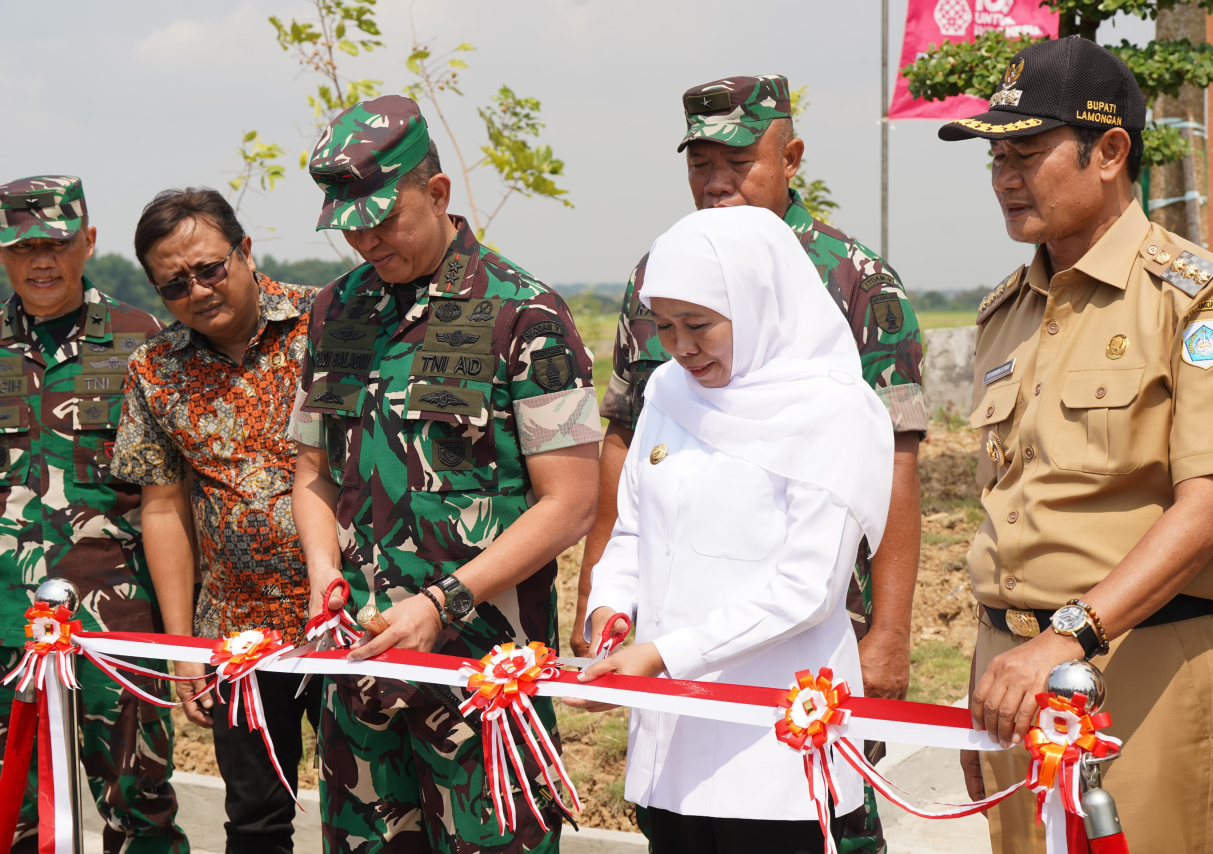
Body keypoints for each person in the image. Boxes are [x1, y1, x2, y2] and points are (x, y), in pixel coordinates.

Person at [939, 37, 1213, 854]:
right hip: (1014, 676)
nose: (1005, 178)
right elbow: (1010, 515)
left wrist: (1068, 636)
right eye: (994, 158)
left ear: (1110, 151)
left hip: (1140, 671)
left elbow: (1209, 513)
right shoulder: (1006, 310)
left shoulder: (1201, 298)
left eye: (1026, 151)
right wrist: (987, 677)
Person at [573, 73, 925, 849]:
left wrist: (663, 653)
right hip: (670, 724)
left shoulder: (831, 401)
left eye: (700, 324)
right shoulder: (671, 382)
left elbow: (809, 580)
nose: (681, 347)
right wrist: (608, 609)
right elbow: (632, 521)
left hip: (779, 730)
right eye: (665, 327)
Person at [287, 95, 601, 853]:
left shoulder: (525, 315)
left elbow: (572, 503)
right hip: (359, 677)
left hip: (482, 680)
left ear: (437, 193)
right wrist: (324, 570)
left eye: (383, 219)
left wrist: (442, 601)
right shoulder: (338, 312)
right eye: (350, 225)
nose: (366, 240)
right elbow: (313, 472)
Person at [111, 188, 320, 854]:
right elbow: (163, 506)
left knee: (372, 814)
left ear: (245, 251)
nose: (197, 290)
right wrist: (183, 652)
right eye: (174, 284)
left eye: (210, 269)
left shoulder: (330, 324)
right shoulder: (156, 369)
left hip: (349, 622)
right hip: (238, 636)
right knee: (256, 822)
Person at [0, 176, 188, 854]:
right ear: (2, 254)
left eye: (57, 243)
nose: (41, 262)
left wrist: (179, 634)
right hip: (5, 625)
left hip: (119, 627)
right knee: (11, 812)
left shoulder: (147, 341)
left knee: (139, 811)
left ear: (89, 243)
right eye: (23, 247)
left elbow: (173, 500)